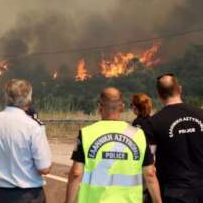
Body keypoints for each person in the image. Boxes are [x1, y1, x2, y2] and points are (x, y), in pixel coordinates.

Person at [65, 87, 162, 203]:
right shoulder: (138, 134)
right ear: (122, 107)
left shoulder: (86, 133)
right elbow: (150, 174)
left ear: (100, 107)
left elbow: (76, 173)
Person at [0, 79, 52, 203]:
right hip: (30, 196)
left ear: (5, 97)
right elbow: (44, 168)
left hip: (2, 196)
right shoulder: (33, 126)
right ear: (29, 99)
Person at [144, 73, 203, 203]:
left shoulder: (153, 123)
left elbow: (150, 165)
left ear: (159, 95)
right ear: (180, 89)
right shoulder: (201, 115)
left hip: (175, 193)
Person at [130, 93, 155, 203]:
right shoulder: (154, 121)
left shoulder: (137, 123)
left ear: (135, 107)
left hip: (143, 161)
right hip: (155, 159)